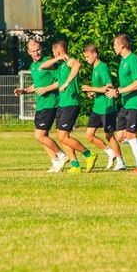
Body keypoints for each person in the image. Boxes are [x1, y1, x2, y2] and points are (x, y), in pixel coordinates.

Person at [39, 40, 96, 174]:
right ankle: (75, 165)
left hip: (71, 103)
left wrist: (67, 82)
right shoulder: (59, 64)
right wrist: (58, 58)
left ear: (57, 50)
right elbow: (42, 66)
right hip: (63, 104)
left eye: (54, 52)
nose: (52, 54)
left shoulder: (70, 61)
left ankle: (89, 155)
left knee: (63, 136)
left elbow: (77, 65)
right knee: (61, 136)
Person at [14, 38, 65, 172]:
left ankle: (61, 155)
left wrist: (47, 89)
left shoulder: (49, 62)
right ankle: (55, 162)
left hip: (51, 103)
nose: (36, 53)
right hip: (41, 105)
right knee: (42, 136)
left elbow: (61, 81)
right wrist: (24, 90)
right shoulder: (33, 66)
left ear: (41, 49)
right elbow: (37, 85)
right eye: (33, 51)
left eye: (38, 50)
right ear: (28, 52)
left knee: (40, 135)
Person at [106, 33, 137, 174]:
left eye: (115, 45)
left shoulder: (133, 59)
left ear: (122, 45)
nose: (113, 47)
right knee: (120, 137)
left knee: (131, 136)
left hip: (135, 104)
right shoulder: (123, 61)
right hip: (126, 104)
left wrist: (118, 91)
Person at [80, 43, 125, 171]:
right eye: (85, 57)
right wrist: (93, 92)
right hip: (97, 107)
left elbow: (109, 86)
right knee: (89, 135)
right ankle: (109, 152)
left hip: (107, 107)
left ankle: (121, 161)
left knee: (109, 135)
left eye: (87, 56)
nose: (86, 59)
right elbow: (101, 88)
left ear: (95, 54)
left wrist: (91, 88)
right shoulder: (94, 68)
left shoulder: (102, 67)